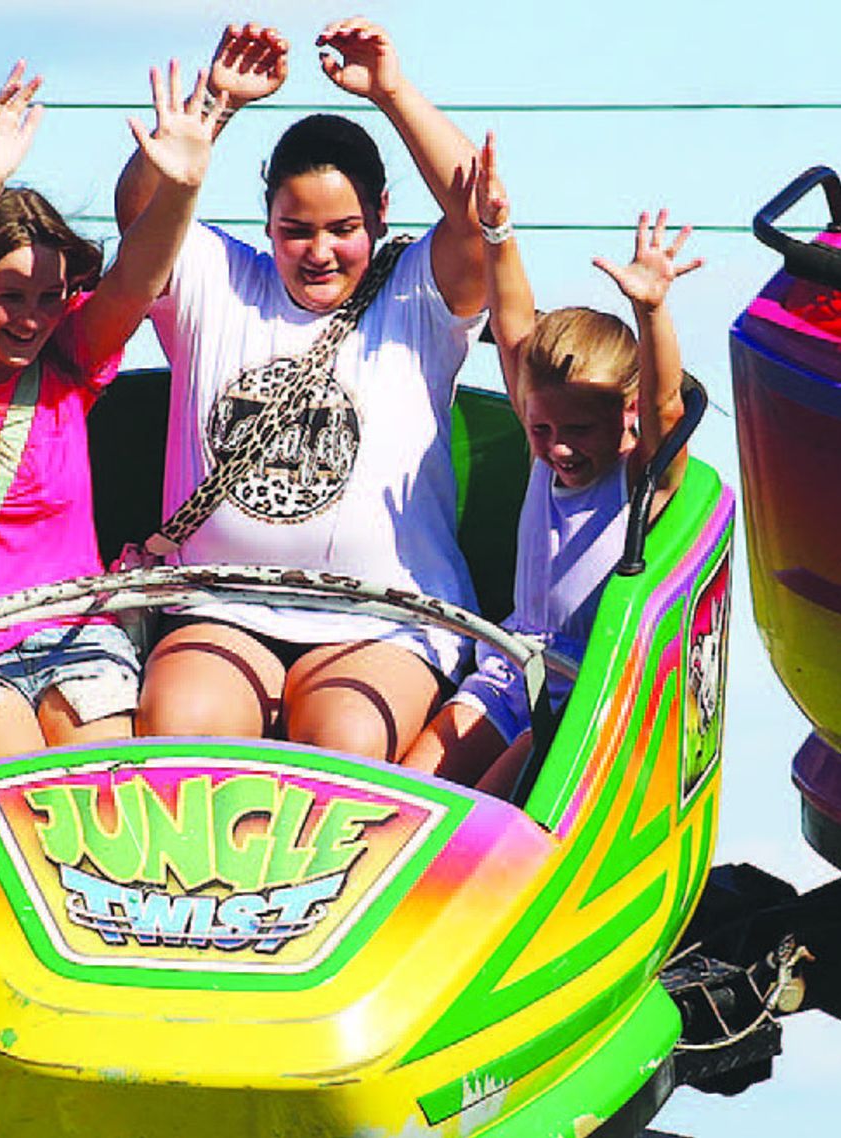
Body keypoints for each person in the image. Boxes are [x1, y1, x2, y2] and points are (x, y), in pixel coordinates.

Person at [113, 18, 488, 763]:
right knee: (180, 729)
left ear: (381, 214)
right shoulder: (221, 282)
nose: (319, 253)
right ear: (268, 224)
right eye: (296, 231)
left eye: (343, 228)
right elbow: (141, 216)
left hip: (381, 624)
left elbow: (481, 213)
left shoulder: (417, 293)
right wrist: (214, 107)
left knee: (346, 745)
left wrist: (390, 89)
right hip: (222, 612)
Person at [0, 59, 222, 767]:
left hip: (74, 638)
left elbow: (139, 278)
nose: (33, 320)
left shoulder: (67, 363)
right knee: (21, 806)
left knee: (109, 801)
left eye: (50, 297)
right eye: (12, 297)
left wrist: (182, 184)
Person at [403, 131, 702, 796]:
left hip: (578, 699)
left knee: (480, 810)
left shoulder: (638, 475)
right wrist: (498, 230)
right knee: (407, 790)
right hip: (510, 671)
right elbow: (513, 327)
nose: (561, 449)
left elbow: (666, 410)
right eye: (542, 428)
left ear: (623, 415)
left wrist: (651, 311)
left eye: (580, 430)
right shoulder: (547, 440)